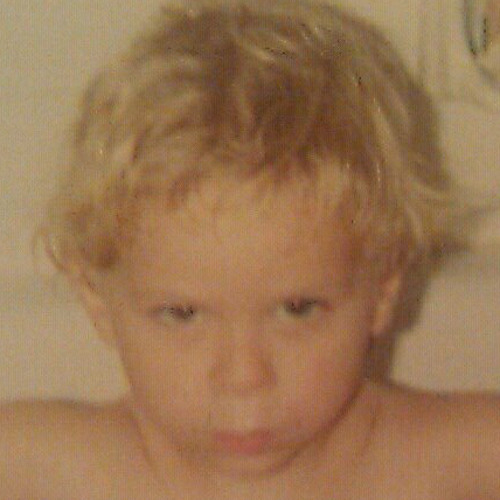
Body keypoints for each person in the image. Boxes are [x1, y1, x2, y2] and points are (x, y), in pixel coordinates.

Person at [1, 1, 499, 498]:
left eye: (297, 309)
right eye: (182, 314)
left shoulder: (444, 460)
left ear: (385, 287)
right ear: (96, 298)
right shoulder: (64, 468)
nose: (244, 377)